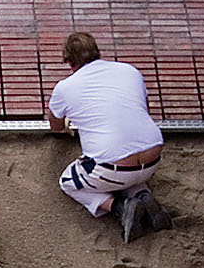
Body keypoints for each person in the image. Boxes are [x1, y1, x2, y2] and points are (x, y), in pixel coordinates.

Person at [48, 32, 171, 241]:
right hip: (152, 159)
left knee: (69, 181)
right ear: (97, 52)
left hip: (112, 168)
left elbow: (55, 125)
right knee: (127, 171)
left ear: (68, 61)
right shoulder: (129, 71)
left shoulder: (65, 88)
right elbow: (143, 108)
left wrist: (68, 126)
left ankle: (120, 208)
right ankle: (143, 196)